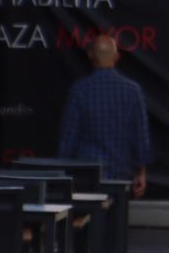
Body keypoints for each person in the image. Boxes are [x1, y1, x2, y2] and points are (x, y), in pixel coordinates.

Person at [58, 34, 152, 197]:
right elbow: (141, 137)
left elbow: (68, 140)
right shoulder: (132, 91)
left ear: (90, 56)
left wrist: (62, 175)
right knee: (116, 220)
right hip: (120, 174)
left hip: (86, 175)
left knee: (88, 219)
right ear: (117, 57)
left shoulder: (79, 90)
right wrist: (141, 172)